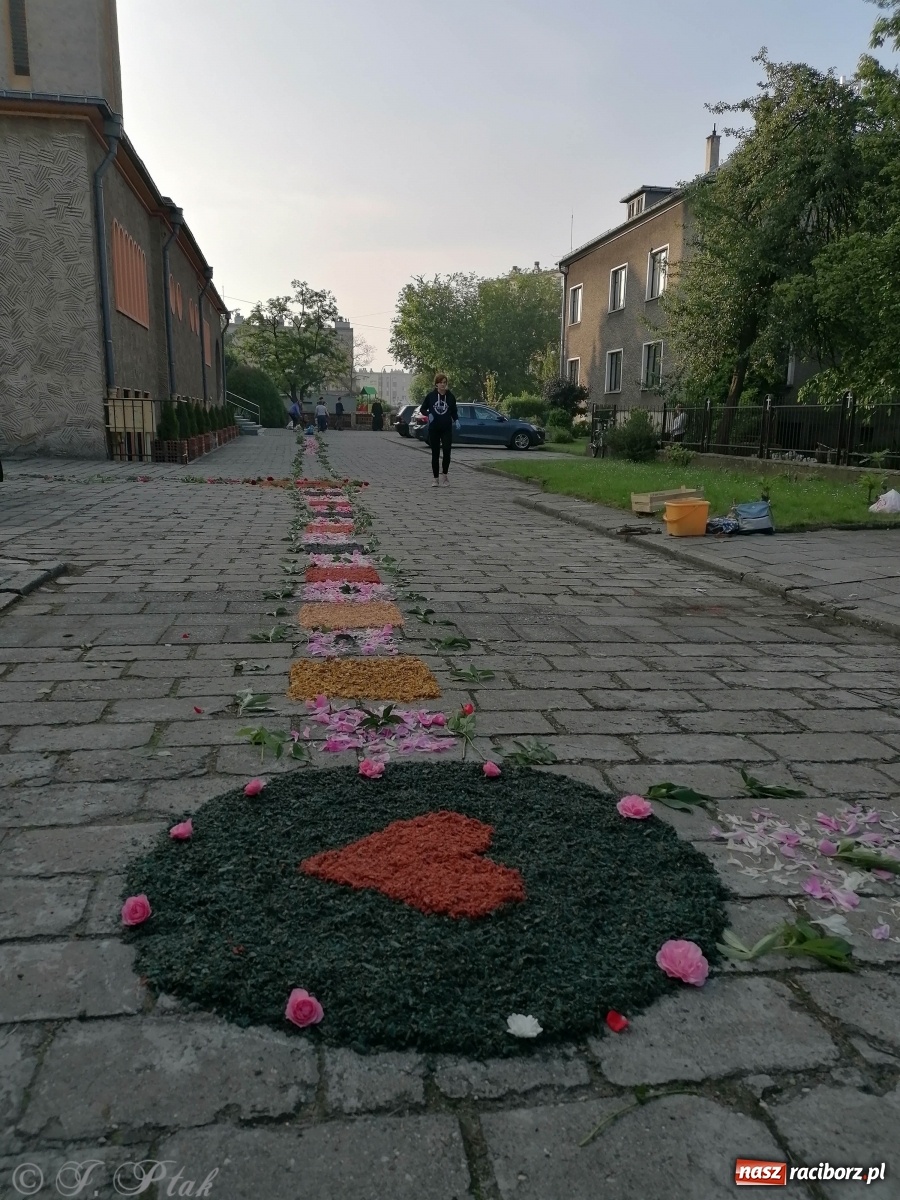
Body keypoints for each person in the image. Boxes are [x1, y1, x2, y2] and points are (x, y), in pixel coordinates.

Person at [419, 373, 459, 486]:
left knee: (447, 451)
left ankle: (445, 476)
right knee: (435, 453)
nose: (443, 385)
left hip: (446, 428)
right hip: (434, 428)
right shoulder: (431, 396)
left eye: (445, 382)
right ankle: (435, 478)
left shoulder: (450, 397)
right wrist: (428, 414)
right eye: (441, 382)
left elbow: (454, 411)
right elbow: (422, 408)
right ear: (436, 384)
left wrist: (456, 420)